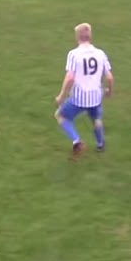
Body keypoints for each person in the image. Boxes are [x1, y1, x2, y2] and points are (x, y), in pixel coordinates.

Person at [54, 23, 114, 159]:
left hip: (79, 98)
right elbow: (110, 77)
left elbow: (69, 78)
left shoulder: (74, 54)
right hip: (96, 96)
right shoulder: (100, 53)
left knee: (61, 116)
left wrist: (61, 96)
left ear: (77, 37)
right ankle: (100, 144)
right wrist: (110, 91)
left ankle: (77, 141)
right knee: (96, 119)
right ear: (90, 36)